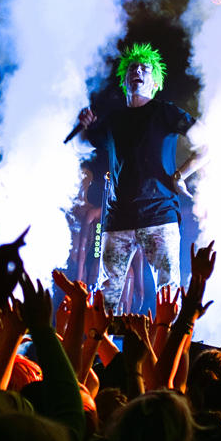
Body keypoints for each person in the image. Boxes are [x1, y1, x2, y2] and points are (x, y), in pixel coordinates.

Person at [76, 43, 207, 315]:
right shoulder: (114, 121)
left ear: (155, 81)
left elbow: (207, 143)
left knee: (168, 295)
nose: (138, 70)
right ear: (125, 80)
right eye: (133, 68)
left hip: (159, 216)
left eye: (145, 68)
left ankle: (167, 355)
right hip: (117, 221)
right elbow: (81, 146)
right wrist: (85, 128)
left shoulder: (164, 111)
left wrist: (182, 174)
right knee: (106, 296)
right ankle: (102, 353)